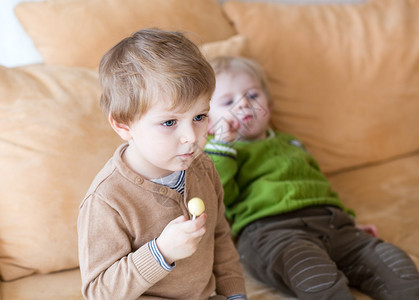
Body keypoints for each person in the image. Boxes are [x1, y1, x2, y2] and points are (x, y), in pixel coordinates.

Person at [204, 56, 419, 300]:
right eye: (228, 101)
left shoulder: (291, 143)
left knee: (393, 262)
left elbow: (319, 185)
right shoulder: (216, 154)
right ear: (208, 123)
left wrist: (348, 219)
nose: (243, 105)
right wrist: (223, 146)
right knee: (314, 275)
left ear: (269, 107)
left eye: (252, 96)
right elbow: (216, 195)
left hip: (331, 223)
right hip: (271, 232)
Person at [77, 29, 247, 300]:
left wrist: (235, 294)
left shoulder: (203, 168)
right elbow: (98, 292)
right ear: (123, 126)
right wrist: (161, 252)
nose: (191, 137)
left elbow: (220, 237)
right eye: (169, 122)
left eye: (200, 116)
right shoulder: (107, 200)